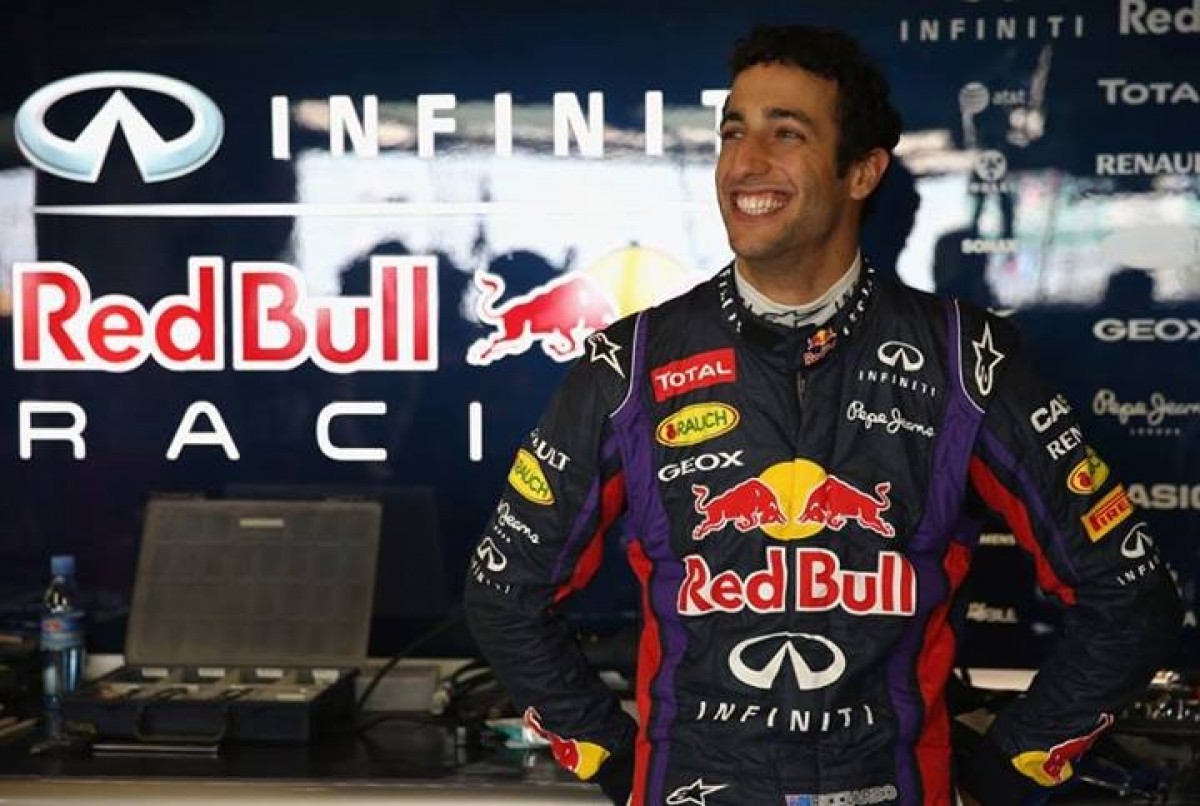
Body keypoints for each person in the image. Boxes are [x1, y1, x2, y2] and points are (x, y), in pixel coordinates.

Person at [463, 23, 1181, 806]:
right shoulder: (629, 365)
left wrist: (1005, 774)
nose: (745, 161)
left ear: (862, 171)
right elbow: (505, 594)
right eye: (733, 132)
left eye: (786, 133)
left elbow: (1128, 595)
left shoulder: (966, 360)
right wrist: (613, 762)